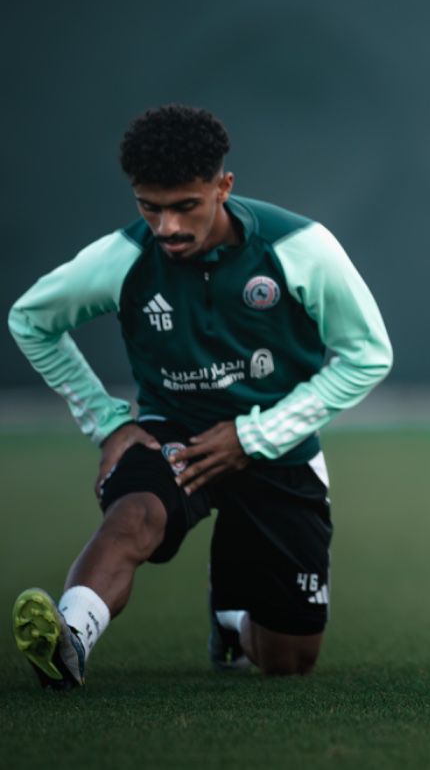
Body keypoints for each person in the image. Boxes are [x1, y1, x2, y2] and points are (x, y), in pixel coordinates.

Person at [9, 104, 393, 689]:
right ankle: (71, 637)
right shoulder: (123, 258)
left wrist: (254, 435)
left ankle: (230, 616)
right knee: (135, 515)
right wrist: (108, 424)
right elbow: (31, 319)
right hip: (173, 435)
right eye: (149, 207)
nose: (167, 227)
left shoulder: (302, 247)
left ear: (223, 187)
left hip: (279, 445)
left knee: (290, 661)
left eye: (185, 205)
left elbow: (368, 354)